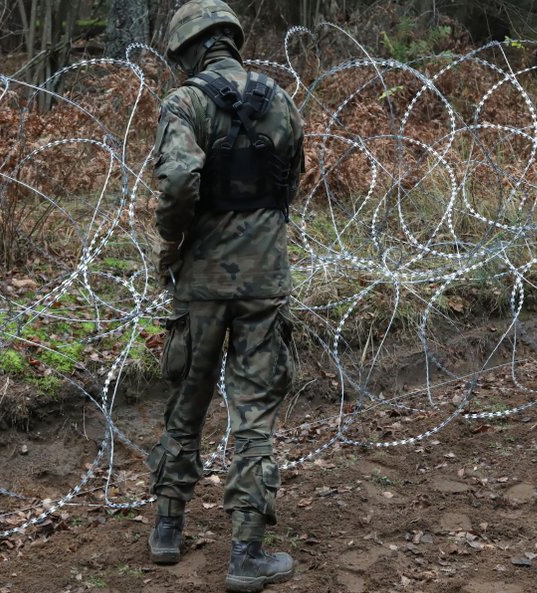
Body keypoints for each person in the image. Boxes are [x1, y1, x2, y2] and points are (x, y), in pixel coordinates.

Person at [146, 1, 305, 591]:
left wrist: (174, 240)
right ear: (231, 41)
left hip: (204, 280)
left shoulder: (185, 102)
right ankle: (246, 552)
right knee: (254, 411)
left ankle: (167, 528)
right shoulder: (280, 99)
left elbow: (180, 179)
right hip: (264, 279)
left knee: (187, 399)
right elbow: (291, 179)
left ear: (187, 49)